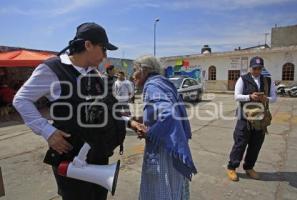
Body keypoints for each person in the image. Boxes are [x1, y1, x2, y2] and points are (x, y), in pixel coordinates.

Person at [13, 22, 128, 200]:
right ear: (88, 45)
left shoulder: (94, 74)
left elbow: (106, 108)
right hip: (71, 160)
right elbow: (21, 100)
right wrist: (48, 132)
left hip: (97, 156)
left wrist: (129, 122)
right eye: (103, 49)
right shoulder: (52, 69)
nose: (105, 56)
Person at [130, 55, 197, 200]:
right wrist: (143, 119)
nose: (132, 75)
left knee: (161, 192)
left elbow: (169, 115)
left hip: (164, 150)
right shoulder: (163, 82)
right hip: (172, 145)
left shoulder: (152, 85)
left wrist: (149, 132)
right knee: (174, 190)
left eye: (135, 70)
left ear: (144, 70)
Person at [227, 56, 277, 181]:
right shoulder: (243, 79)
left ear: (262, 68)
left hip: (260, 118)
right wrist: (250, 96)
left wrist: (266, 99)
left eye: (259, 68)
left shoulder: (268, 81)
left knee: (256, 145)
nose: (257, 71)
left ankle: (249, 167)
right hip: (244, 118)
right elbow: (237, 96)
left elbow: (274, 98)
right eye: (254, 68)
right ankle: (232, 168)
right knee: (240, 143)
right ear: (250, 67)